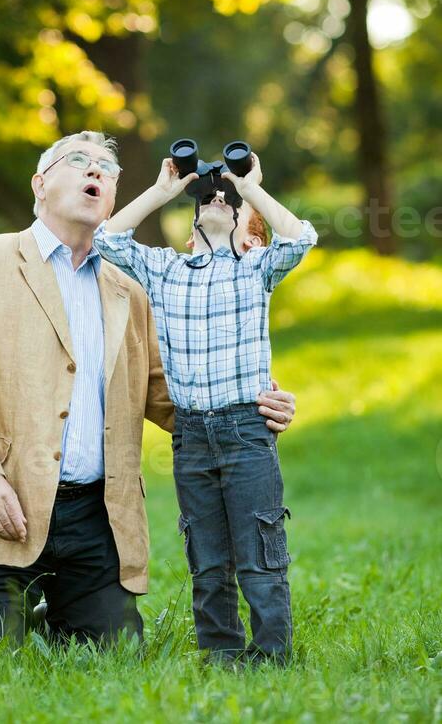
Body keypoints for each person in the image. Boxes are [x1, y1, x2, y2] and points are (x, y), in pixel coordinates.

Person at [0, 132, 298, 657]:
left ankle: (40, 613)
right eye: (79, 161)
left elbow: (165, 394)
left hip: (95, 520)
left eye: (107, 169)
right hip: (3, 509)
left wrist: (250, 406)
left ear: (112, 198)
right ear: (40, 185)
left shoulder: (129, 286)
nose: (96, 171)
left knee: (114, 656)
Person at [93, 152, 317, 665]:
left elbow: (301, 238)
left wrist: (250, 187)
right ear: (189, 232)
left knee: (260, 553)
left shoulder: (255, 270)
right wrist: (164, 191)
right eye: (209, 199)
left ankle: (272, 655)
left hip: (245, 431)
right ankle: (221, 653)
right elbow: (108, 240)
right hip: (190, 436)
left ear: (251, 238)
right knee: (207, 557)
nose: (218, 200)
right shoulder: (168, 271)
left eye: (229, 203)